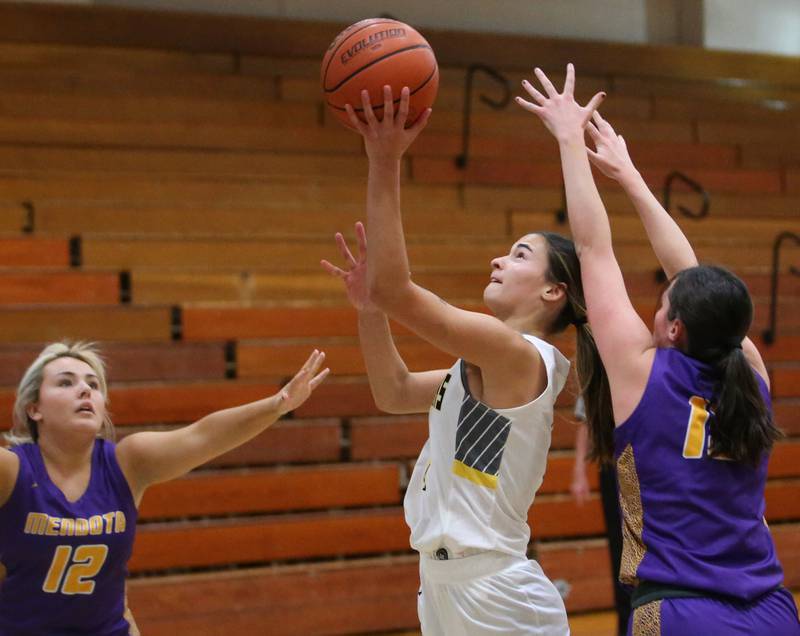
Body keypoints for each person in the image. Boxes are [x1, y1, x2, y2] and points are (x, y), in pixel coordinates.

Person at [518, 63, 800, 635]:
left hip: (681, 611)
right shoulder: (750, 370)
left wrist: (572, 142)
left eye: (664, 302)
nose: (657, 304)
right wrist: (629, 175)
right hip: (774, 610)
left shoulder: (642, 372)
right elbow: (691, 275)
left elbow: (594, 248)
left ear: (674, 328)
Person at [321, 85, 607, 635]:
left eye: (521, 254)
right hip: (446, 589)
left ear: (553, 293)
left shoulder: (517, 355)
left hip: (494, 594)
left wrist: (384, 161)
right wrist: (368, 308)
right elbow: (394, 391)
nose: (500, 258)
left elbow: (399, 289)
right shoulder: (486, 366)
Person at [0, 341, 328, 634]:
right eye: (65, 382)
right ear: (34, 408)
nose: (85, 390)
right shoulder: (11, 470)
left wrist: (277, 405)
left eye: (93, 384)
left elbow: (203, 435)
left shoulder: (128, 462)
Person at [571, 396, 630, 635]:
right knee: (620, 549)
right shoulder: (602, 361)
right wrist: (578, 471)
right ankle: (625, 622)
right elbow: (586, 417)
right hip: (613, 462)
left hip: (648, 459)